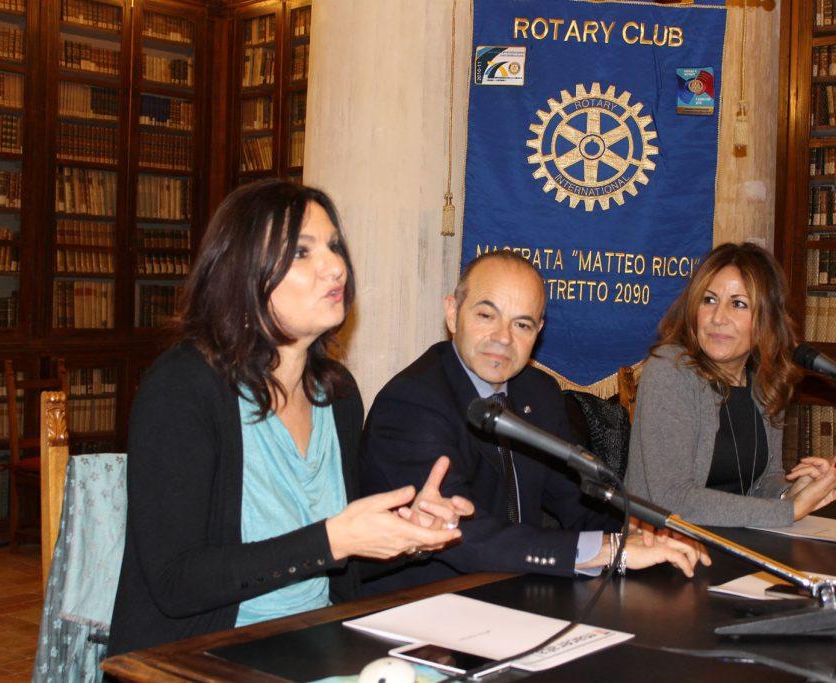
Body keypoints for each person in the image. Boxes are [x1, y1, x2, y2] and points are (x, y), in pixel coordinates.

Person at [108, 181, 473, 656]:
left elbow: (338, 564)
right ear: (242, 272)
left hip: (314, 640)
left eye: (334, 246)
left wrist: (406, 533)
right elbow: (176, 582)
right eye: (302, 252)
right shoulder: (184, 388)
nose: (336, 266)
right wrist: (333, 539)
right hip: (204, 654)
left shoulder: (336, 394)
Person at [360, 250, 709, 594]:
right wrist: (609, 550)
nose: (503, 338)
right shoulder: (412, 402)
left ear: (538, 331)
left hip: (511, 587)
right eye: (486, 315)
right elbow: (464, 536)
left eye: (522, 324)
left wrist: (639, 532)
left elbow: (577, 500)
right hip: (420, 605)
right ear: (453, 314)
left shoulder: (537, 392)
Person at [625, 242, 836, 528]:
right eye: (708, 300)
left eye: (738, 304)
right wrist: (789, 510)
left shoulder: (765, 380)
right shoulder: (670, 370)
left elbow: (760, 482)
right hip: (663, 550)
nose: (718, 318)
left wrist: (793, 490)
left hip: (737, 543)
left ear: (766, 319)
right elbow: (673, 499)